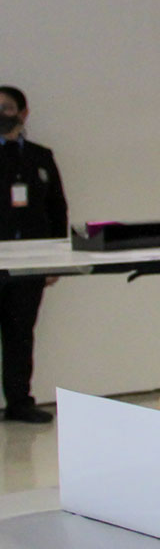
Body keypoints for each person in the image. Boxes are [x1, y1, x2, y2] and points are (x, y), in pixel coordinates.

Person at [0, 87, 65, 423]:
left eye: (7, 108)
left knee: (21, 334)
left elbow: (57, 209)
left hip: (30, 263)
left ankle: (19, 403)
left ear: (23, 113)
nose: (1, 114)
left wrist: (56, 260)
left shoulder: (40, 157)